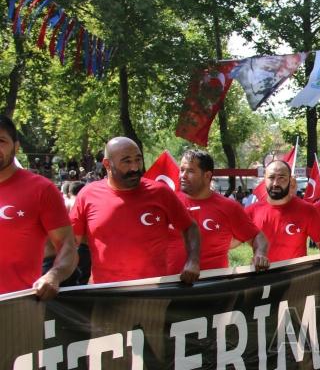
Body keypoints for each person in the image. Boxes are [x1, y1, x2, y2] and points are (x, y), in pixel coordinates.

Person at [70, 137, 201, 284]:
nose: (135, 168)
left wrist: (193, 261)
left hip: (154, 292)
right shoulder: (88, 195)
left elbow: (190, 227)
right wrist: (57, 275)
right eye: (126, 161)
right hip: (105, 294)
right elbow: (69, 241)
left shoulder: (160, 192)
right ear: (107, 164)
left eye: (138, 160)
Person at [0, 116, 77, 298]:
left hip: (18, 306)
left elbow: (68, 244)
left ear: (16, 146)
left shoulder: (41, 189)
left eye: (1, 141)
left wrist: (54, 275)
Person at [172, 149, 269, 271]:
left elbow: (257, 237)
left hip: (215, 286)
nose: (183, 175)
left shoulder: (228, 207)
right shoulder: (169, 201)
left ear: (207, 176)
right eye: (181, 170)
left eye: (190, 171)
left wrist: (260, 254)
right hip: (170, 285)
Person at [246, 160, 320, 262]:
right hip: (262, 274)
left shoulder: (307, 210)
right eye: (271, 177)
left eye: (282, 178)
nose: (275, 183)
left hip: (296, 274)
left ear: (291, 181)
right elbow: (230, 241)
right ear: (265, 180)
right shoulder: (251, 211)